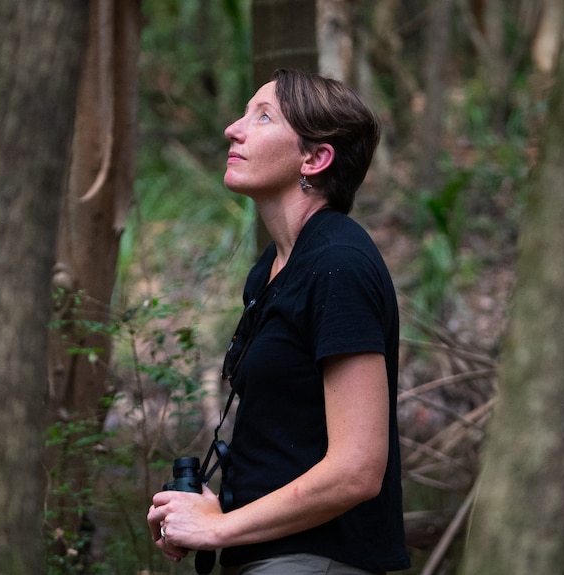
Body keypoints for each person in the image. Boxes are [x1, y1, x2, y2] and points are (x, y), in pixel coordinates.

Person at [147, 68, 410, 575]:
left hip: (317, 560)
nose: (233, 128)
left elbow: (358, 469)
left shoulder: (340, 265)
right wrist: (205, 510)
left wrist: (218, 529)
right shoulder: (274, 268)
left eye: (262, 117)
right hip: (269, 556)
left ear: (315, 158)